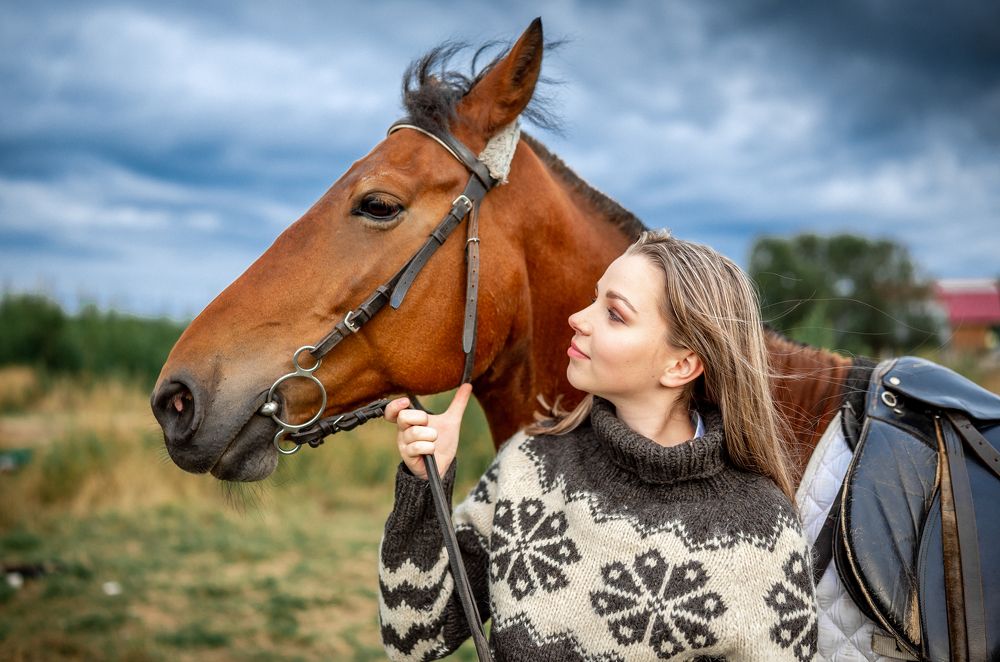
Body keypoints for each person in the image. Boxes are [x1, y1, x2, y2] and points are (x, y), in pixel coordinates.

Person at [377, 230, 818, 661]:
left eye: (615, 314)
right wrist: (425, 480)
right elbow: (413, 637)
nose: (578, 318)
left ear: (681, 365)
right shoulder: (529, 461)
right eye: (595, 297)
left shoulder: (761, 529)